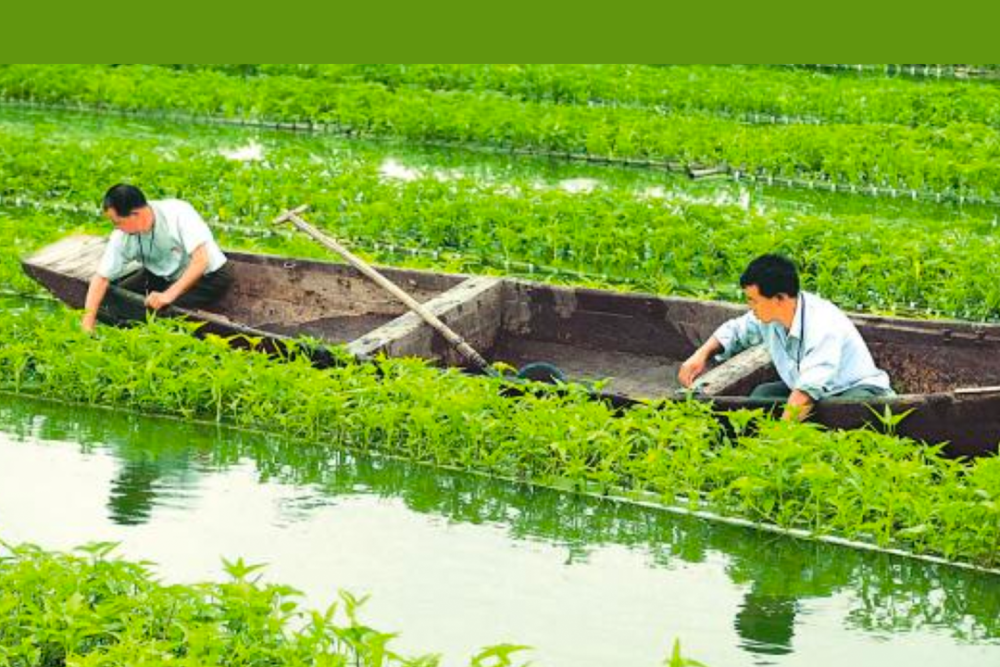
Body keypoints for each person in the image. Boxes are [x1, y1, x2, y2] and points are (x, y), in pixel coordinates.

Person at [678, 254, 892, 421]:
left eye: (754, 300)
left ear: (779, 298)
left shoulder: (822, 323)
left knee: (840, 414)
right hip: (813, 389)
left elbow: (806, 392)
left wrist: (776, 441)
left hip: (853, 390)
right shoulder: (768, 316)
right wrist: (700, 355)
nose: (750, 306)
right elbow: (735, 331)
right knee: (762, 395)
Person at [81, 184, 232, 333]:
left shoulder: (178, 213)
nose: (116, 227)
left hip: (206, 276)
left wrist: (168, 295)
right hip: (160, 273)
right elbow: (101, 278)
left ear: (135, 214)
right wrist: (87, 323)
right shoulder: (122, 235)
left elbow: (201, 261)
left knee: (162, 315)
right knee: (112, 302)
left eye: (117, 222)